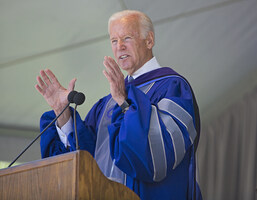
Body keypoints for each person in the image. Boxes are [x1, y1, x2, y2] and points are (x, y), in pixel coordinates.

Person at [35, 10, 202, 200]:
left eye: (127, 38)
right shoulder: (107, 103)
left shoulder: (173, 88)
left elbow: (155, 159)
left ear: (149, 41)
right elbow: (87, 160)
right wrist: (62, 113)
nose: (119, 46)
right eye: (114, 41)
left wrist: (125, 104)